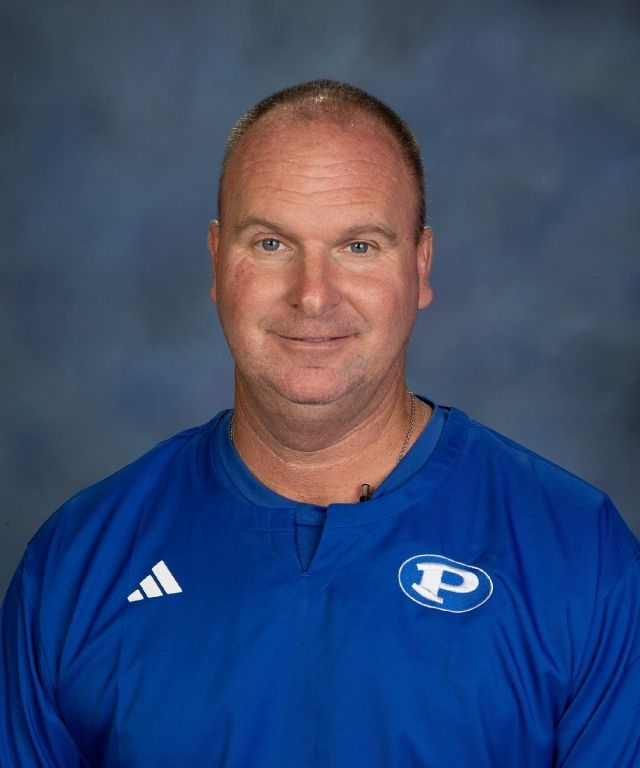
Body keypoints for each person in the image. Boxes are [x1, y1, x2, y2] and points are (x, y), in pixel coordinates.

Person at [1, 79, 638, 767]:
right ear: (217, 260)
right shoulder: (76, 564)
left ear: (420, 266)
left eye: (359, 246)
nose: (312, 295)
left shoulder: (578, 555)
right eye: (271, 243)